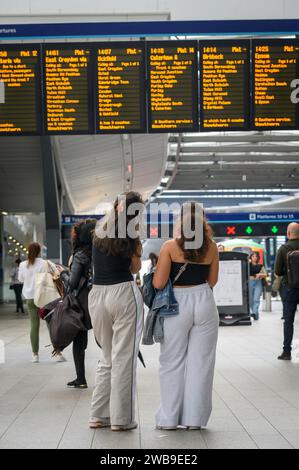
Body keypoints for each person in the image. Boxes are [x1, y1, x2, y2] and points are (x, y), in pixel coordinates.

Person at [152, 202, 219, 430]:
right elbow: (212, 281)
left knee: (171, 361)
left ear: (181, 227)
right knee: (201, 363)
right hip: (204, 302)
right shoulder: (211, 248)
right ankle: (194, 420)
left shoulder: (170, 247)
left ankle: (170, 418)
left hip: (175, 304)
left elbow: (159, 283)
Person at [88, 191, 144, 432]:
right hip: (122, 292)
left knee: (107, 357)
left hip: (97, 294)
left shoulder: (98, 232)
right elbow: (135, 266)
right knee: (124, 358)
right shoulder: (131, 233)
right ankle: (122, 419)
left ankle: (98, 415)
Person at [60, 220, 96, 388]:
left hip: (82, 304)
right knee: (106, 341)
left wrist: (62, 274)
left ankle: (81, 379)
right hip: (100, 298)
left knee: (79, 342)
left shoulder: (80, 255)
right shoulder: (100, 252)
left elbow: (72, 284)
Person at [275, 222, 299, 360]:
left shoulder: (284, 248)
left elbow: (278, 271)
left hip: (289, 289)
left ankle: (287, 352)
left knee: (288, 321)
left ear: (289, 233)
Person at [248, 252, 267, 321]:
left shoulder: (260, 266)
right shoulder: (247, 265)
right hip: (249, 283)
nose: (254, 258)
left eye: (256, 256)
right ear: (250, 257)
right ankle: (255, 315)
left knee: (256, 299)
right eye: (253, 256)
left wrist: (259, 275)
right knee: (250, 300)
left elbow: (265, 274)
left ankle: (254, 313)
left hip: (258, 283)